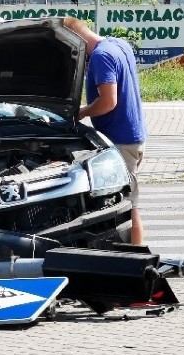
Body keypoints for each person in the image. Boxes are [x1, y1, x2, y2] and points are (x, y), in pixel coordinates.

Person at [63, 16, 147, 245]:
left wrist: (80, 113)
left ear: (76, 38)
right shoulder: (119, 45)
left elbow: (108, 102)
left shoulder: (101, 56)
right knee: (128, 202)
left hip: (120, 141)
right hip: (131, 136)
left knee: (129, 206)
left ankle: (138, 258)